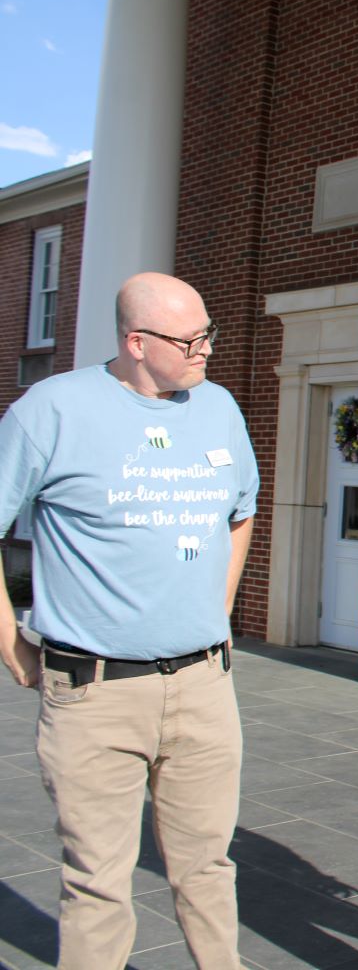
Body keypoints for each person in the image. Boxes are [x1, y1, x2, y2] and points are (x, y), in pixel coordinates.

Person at [0, 272, 258, 970]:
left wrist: (222, 609)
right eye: (191, 339)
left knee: (208, 870)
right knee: (98, 885)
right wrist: (10, 647)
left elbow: (242, 511)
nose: (207, 349)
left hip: (204, 688)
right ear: (136, 342)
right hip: (95, 695)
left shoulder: (219, 408)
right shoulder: (49, 412)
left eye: (209, 332)